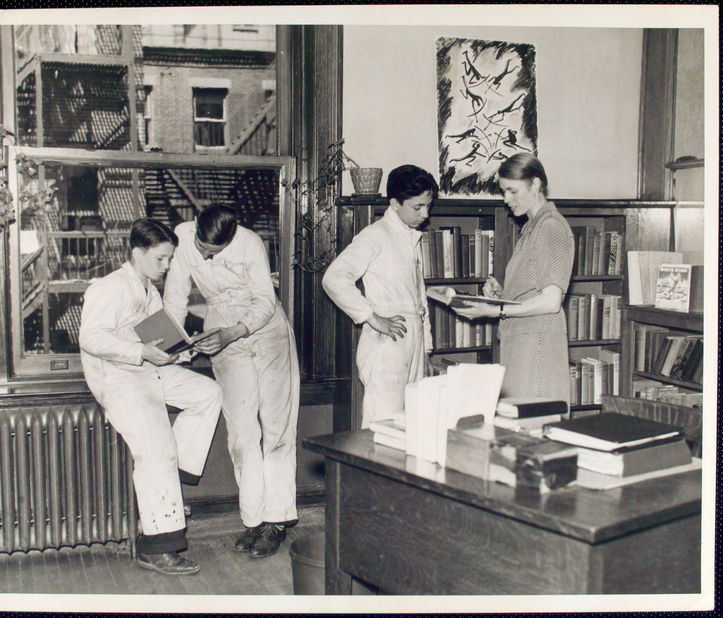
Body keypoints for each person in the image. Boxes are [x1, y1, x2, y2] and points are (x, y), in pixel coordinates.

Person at [79, 219, 223, 576]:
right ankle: (157, 547)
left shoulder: (148, 289)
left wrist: (183, 350)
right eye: (160, 259)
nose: (167, 266)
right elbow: (90, 339)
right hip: (119, 378)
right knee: (156, 449)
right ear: (137, 253)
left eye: (170, 259)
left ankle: (171, 478)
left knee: (208, 393)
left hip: (148, 368)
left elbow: (157, 338)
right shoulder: (111, 287)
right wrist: (141, 351)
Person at [163, 203, 300, 559]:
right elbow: (175, 299)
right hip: (221, 329)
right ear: (194, 227)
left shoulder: (251, 242)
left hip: (265, 330)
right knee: (241, 434)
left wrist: (234, 333)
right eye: (204, 249)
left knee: (277, 429)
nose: (207, 256)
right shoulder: (180, 239)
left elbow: (265, 300)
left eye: (216, 252)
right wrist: (168, 350)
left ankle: (278, 520)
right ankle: (253, 519)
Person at [322, 164, 439, 428]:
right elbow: (334, 278)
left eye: (428, 206)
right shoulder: (375, 235)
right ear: (395, 203)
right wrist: (372, 318)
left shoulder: (410, 237)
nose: (425, 214)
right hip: (386, 344)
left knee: (414, 424)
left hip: (413, 340)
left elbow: (420, 300)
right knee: (384, 424)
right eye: (417, 207)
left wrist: (427, 351)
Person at [453, 153, 574, 403]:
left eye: (512, 191)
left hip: (536, 349)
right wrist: (502, 296)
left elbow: (551, 301)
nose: (506, 199)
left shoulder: (551, 227)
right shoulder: (532, 227)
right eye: (504, 191)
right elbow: (531, 290)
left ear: (536, 184)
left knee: (530, 428)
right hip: (522, 345)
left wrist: (495, 311)